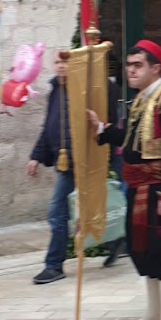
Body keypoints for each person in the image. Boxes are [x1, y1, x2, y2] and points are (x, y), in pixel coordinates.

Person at [90, 40, 161, 320]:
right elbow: (132, 141)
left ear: (156, 69)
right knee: (142, 251)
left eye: (138, 66)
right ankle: (152, 315)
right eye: (129, 65)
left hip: (159, 190)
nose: (130, 71)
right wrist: (104, 129)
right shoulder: (140, 100)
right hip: (137, 188)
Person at [27, 50, 119, 285]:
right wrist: (36, 156)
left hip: (81, 161)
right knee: (80, 210)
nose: (61, 66)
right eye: (57, 62)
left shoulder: (85, 90)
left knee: (58, 213)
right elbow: (49, 125)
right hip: (64, 161)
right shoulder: (56, 90)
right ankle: (115, 240)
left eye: (65, 62)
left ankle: (53, 265)